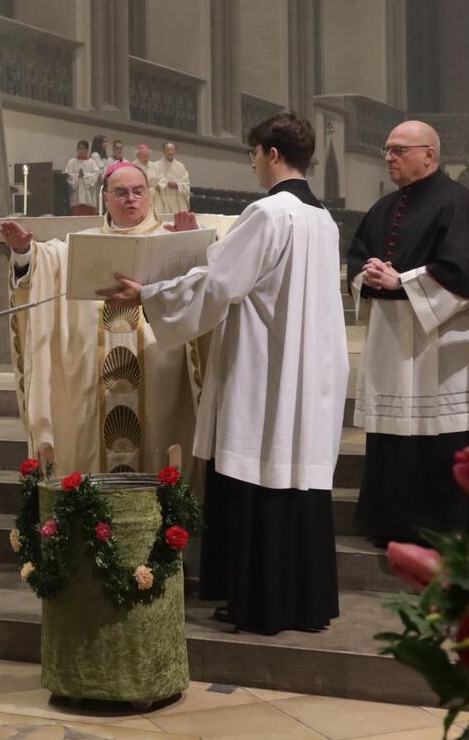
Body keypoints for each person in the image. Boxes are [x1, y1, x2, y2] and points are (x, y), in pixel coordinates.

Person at [102, 113, 346, 635]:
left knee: (258, 471)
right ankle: (303, 601)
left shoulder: (269, 212)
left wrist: (146, 293)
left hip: (264, 368)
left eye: (254, 152)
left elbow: (219, 284)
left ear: (272, 154)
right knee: (295, 478)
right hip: (308, 368)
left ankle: (260, 603)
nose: (254, 163)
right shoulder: (323, 218)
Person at [348, 120, 469, 547]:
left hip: (445, 345)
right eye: (387, 149)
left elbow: (464, 269)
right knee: (396, 437)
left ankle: (453, 525)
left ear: (429, 155)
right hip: (392, 341)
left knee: (444, 432)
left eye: (399, 150)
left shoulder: (461, 203)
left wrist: (402, 281)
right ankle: (393, 522)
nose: (389, 157)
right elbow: (356, 259)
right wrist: (369, 275)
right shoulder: (382, 208)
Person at [0, 161, 203, 479]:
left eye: (138, 191)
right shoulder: (83, 244)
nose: (130, 199)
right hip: (97, 382)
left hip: (160, 373)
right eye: (120, 192)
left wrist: (192, 245)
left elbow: (208, 290)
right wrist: (25, 253)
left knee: (159, 445)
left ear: (149, 195)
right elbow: (46, 264)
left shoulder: (170, 239)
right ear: (106, 198)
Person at [65, 139, 102, 216]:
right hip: (76, 197)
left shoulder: (92, 162)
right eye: (79, 148)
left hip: (89, 198)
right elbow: (68, 175)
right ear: (77, 149)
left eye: (83, 149)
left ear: (87, 150)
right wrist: (78, 176)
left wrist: (84, 176)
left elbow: (96, 174)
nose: (81, 150)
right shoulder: (72, 162)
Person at [153, 142, 191, 215]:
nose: (170, 152)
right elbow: (154, 183)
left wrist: (177, 185)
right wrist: (161, 185)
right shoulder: (156, 165)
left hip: (177, 200)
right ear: (164, 151)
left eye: (172, 150)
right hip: (162, 199)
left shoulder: (181, 166)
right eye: (168, 150)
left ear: (175, 151)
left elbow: (186, 184)